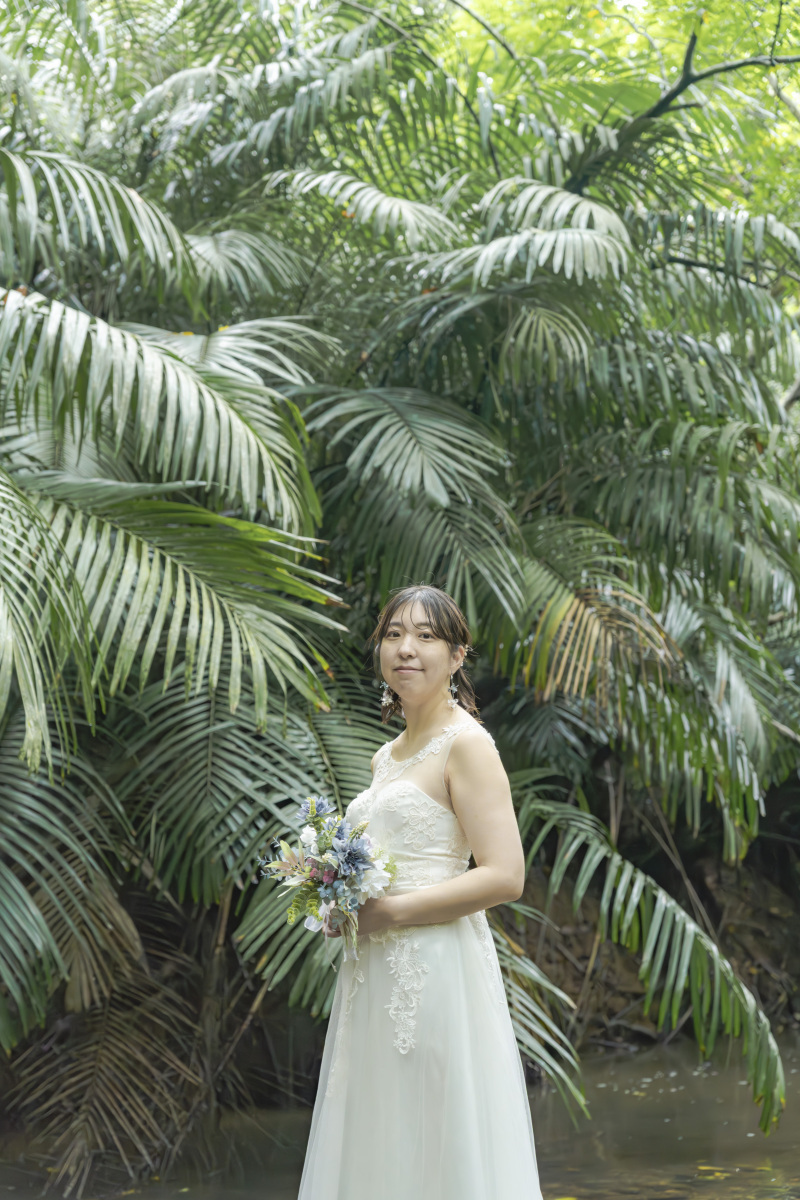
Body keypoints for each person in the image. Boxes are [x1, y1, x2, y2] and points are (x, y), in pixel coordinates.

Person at [297, 584, 543, 1200]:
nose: (406, 648)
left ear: (457, 656)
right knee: (382, 1135)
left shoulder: (467, 744)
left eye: (426, 636)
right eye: (393, 634)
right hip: (371, 974)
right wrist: (340, 901)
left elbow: (505, 875)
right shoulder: (386, 757)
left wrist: (390, 913)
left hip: (437, 971)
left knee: (436, 1134)